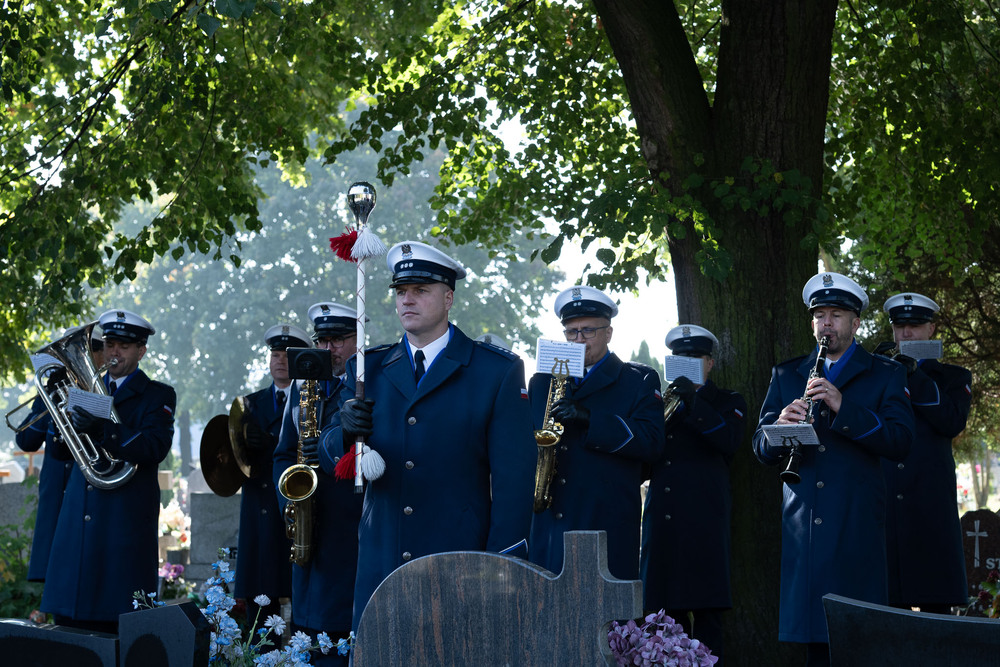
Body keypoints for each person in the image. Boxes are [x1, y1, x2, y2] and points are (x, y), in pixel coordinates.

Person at [319, 241, 536, 632]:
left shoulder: (494, 371)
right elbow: (332, 450)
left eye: (421, 290)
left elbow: (514, 481)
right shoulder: (369, 369)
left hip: (459, 563)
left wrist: (500, 565)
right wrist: (345, 432)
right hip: (381, 561)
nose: (408, 300)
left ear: (449, 297)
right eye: (402, 291)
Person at [752, 272, 914, 666]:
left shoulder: (886, 373)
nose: (827, 323)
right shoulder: (787, 374)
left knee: (860, 641)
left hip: (855, 525)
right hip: (804, 527)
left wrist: (845, 408)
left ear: (855, 322)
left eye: (837, 314)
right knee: (815, 647)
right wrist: (779, 430)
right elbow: (759, 447)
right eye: (820, 315)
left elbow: (900, 441)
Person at [47, 309, 175, 633]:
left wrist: (104, 428)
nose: (113, 351)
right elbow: (60, 453)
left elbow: (154, 447)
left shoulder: (158, 394)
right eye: (110, 343)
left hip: (122, 525)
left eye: (124, 346)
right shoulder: (84, 387)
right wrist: (59, 420)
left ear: (141, 351)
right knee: (68, 631)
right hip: (79, 521)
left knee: (115, 631)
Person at [528, 285, 664, 581]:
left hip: (605, 523)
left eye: (587, 331)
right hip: (550, 525)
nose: (578, 340)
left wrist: (591, 419)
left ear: (608, 333)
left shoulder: (637, 379)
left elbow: (652, 442)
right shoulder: (542, 381)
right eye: (570, 332)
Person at [640, 324, 746, 664]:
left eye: (695, 357)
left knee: (708, 623)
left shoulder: (728, 401)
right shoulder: (659, 404)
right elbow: (645, 456)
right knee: (661, 621)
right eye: (680, 357)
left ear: (710, 363)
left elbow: (727, 441)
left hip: (703, 528)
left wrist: (695, 402)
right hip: (664, 526)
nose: (687, 363)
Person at [274, 303, 363, 665]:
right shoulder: (303, 386)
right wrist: (293, 506)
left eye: (338, 340)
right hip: (310, 531)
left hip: (351, 529)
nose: (328, 349)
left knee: (343, 635)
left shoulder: (368, 385)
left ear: (358, 340)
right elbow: (282, 455)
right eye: (321, 340)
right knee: (308, 637)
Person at [881, 292, 971, 614]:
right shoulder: (879, 372)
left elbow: (951, 420)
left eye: (915, 325)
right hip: (887, 506)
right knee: (887, 617)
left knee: (937, 618)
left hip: (930, 506)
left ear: (931, 328)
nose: (906, 333)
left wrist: (915, 375)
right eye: (900, 325)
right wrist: (883, 370)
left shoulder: (954, 377)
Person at [234, 323, 311, 630]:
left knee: (301, 606)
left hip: (295, 512)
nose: (280, 360)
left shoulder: (311, 398)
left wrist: (272, 446)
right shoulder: (249, 404)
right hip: (260, 513)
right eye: (275, 354)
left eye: (287, 354)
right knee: (259, 609)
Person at [15, 324, 105, 584]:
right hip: (56, 493)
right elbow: (26, 440)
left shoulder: (103, 391)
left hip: (88, 492)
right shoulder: (53, 389)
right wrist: (50, 402)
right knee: (55, 577)